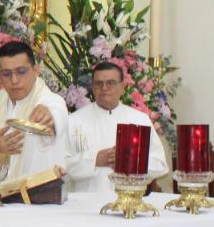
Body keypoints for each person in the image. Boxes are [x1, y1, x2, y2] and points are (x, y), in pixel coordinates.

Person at [0, 39, 71, 183]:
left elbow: (56, 111)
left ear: (36, 70)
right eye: (6, 74)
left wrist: (48, 116)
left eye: (21, 71)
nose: (14, 80)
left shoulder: (50, 100)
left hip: (38, 199)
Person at [65, 61, 170, 194]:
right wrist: (93, 160)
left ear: (122, 86)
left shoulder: (140, 120)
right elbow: (60, 168)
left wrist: (130, 161)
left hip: (130, 203)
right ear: (92, 87)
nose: (104, 88)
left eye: (111, 83)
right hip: (86, 203)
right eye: (98, 83)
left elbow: (160, 165)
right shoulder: (73, 121)